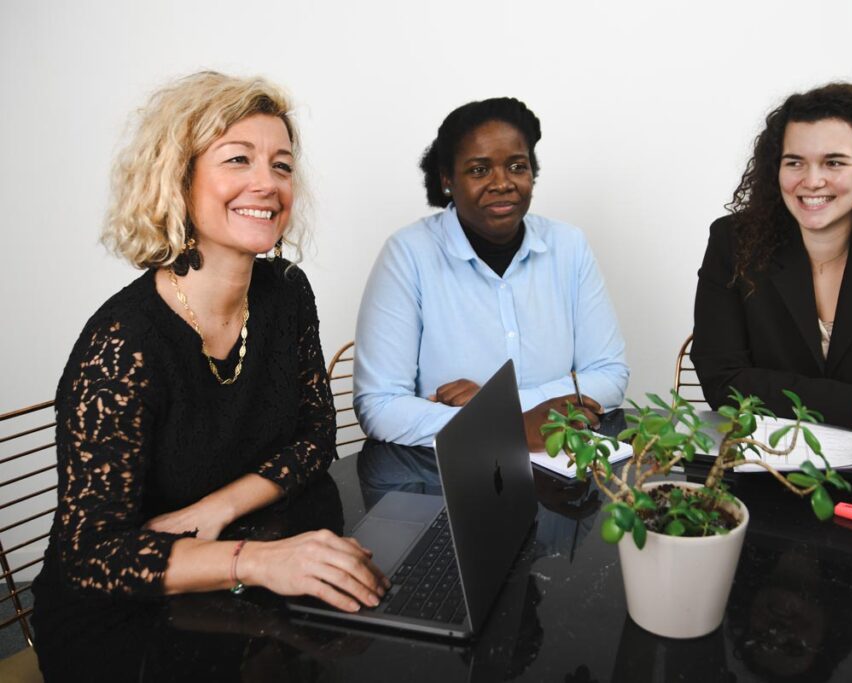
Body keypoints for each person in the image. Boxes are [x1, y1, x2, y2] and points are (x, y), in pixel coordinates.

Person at [32, 72, 387, 678]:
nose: (267, 184)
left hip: (239, 581)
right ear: (179, 179)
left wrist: (223, 509)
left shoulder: (286, 293)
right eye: (238, 159)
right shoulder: (124, 343)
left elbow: (315, 437)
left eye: (281, 165)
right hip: (127, 620)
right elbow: (91, 554)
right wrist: (257, 561)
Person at [691, 83, 852, 487]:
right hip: (759, 477)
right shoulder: (733, 242)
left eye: (834, 163)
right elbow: (723, 379)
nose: (811, 181)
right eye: (794, 162)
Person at [354, 97, 629, 450]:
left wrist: (499, 407)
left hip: (563, 464)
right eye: (479, 170)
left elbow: (609, 374)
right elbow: (379, 406)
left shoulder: (568, 246)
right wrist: (509, 428)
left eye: (517, 166)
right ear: (447, 180)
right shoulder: (408, 255)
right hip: (444, 478)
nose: (503, 183)